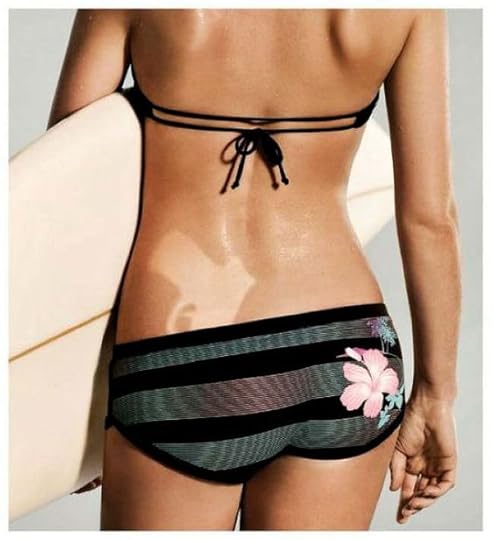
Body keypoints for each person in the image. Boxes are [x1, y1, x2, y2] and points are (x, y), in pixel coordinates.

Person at [48, 8, 460, 531]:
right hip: (350, 358)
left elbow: (69, 190)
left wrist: (67, 404)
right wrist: (436, 394)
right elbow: (430, 219)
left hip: (181, 354)